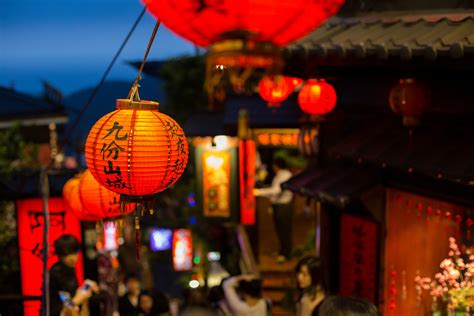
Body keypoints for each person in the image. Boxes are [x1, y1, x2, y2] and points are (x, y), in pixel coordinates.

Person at [47, 234, 99, 316]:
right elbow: (62, 305)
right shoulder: (56, 273)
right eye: (68, 254)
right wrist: (79, 298)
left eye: (75, 253)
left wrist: (85, 288)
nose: (73, 258)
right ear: (60, 255)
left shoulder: (70, 269)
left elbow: (70, 297)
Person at [253, 156, 293, 262]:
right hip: (278, 206)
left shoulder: (285, 175)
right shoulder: (280, 175)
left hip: (283, 206)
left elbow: (276, 191)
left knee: (284, 230)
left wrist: (259, 192)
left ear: (276, 166)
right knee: (280, 230)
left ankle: (286, 253)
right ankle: (282, 251)